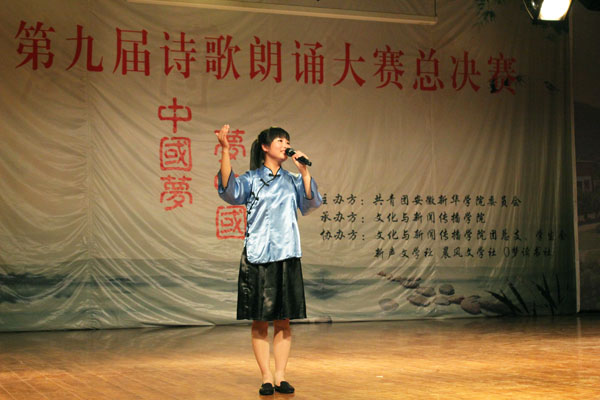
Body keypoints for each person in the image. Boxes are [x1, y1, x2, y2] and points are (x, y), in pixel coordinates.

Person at [215, 124, 322, 396]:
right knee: (260, 321)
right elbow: (229, 191)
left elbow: (311, 203)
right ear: (265, 147)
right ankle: (265, 377)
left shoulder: (293, 180)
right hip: (258, 256)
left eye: (287, 140)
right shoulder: (251, 179)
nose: (285, 145)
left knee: (284, 321)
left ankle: (281, 376)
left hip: (287, 254)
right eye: (279, 141)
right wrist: (225, 150)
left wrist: (304, 171)